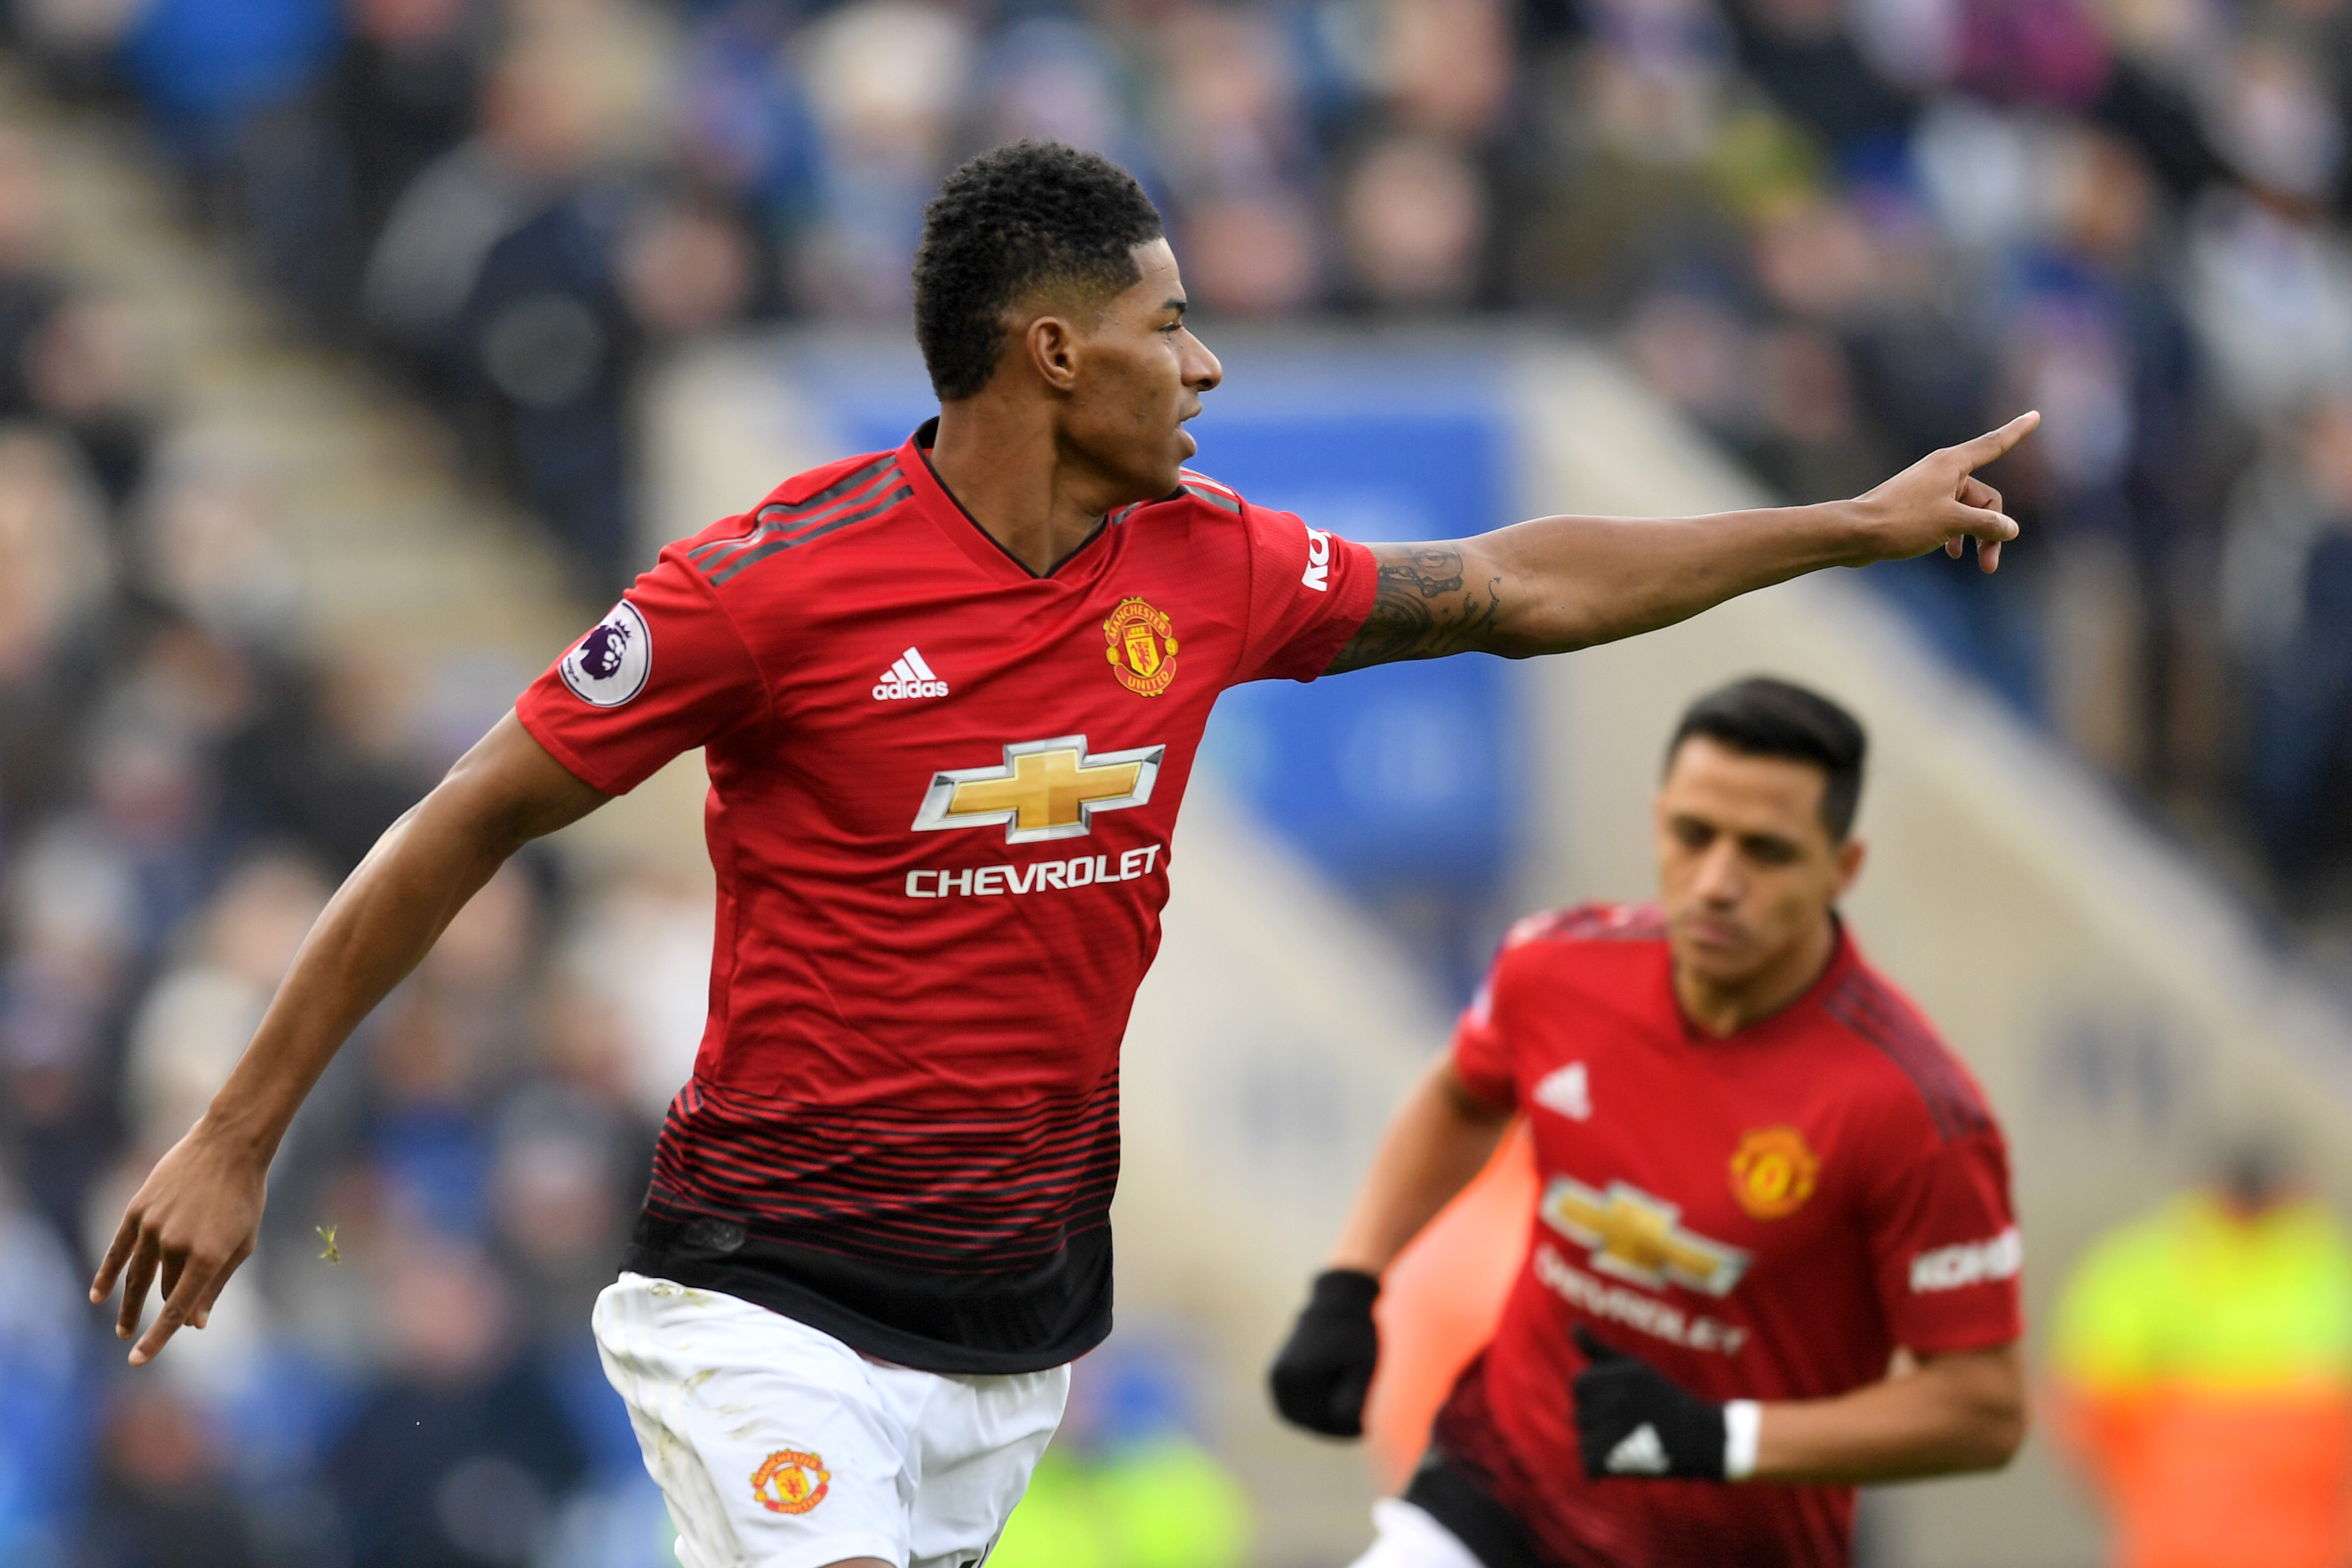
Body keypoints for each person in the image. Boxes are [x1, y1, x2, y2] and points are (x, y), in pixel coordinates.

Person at [90, 140, 2036, 1568]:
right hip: (762, 1311)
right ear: (1047, 353)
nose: (1203, 369)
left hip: (1010, 1351)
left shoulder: (1213, 565)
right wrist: (243, 1131)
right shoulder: (768, 589)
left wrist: (1836, 525)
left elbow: (1515, 583)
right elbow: (464, 819)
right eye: (1165, 325)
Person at [1269, 678, 2027, 1568]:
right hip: (1499, 1494)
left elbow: (1983, 1410)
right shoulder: (1553, 970)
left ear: (1841, 869)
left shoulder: (1913, 1111)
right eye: (1693, 835)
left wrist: (1720, 1438)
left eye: (1766, 852)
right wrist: (1349, 1286)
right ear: (1656, 817)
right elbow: (1463, 1093)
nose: (1715, 883)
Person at [2050, 1146, 2352, 1568]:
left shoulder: (2139, 1267)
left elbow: (2086, 1420)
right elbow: (2089, 1417)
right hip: (2187, 1545)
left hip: (2287, 1545)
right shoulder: (2143, 1270)